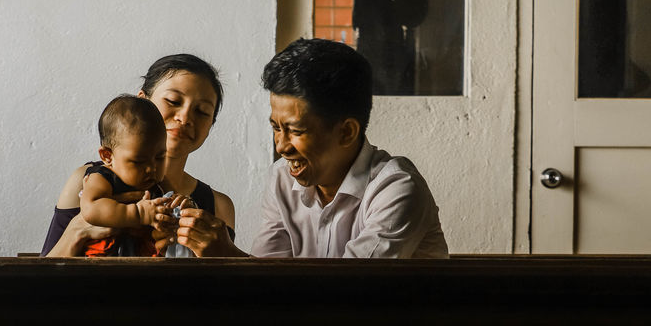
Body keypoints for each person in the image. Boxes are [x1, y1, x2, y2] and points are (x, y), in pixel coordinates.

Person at [176, 37, 448, 258]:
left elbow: (350, 295)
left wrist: (227, 256)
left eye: (295, 131)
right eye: (275, 127)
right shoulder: (283, 179)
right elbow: (266, 285)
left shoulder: (396, 188)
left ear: (346, 132)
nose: (281, 147)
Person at [41, 54, 235, 258]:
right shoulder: (88, 180)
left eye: (202, 111)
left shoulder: (218, 206)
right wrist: (78, 229)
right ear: (142, 101)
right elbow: (41, 282)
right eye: (173, 101)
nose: (185, 117)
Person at [79, 94, 173, 258]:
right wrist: (138, 213)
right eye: (138, 161)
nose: (151, 168)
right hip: (104, 261)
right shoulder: (102, 177)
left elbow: (173, 200)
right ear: (107, 156)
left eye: (160, 157)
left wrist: (182, 206)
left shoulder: (160, 182)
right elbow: (91, 208)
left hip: (147, 260)